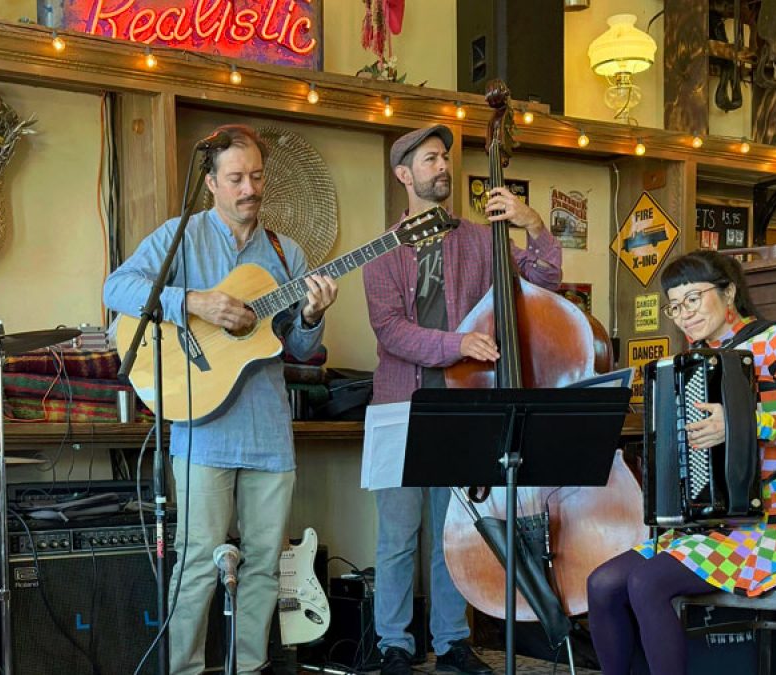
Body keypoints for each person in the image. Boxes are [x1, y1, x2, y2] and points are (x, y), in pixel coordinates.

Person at [103, 124, 338, 674]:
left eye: (256, 176)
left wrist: (312, 314)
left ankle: (249, 668)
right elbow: (118, 287)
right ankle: (182, 669)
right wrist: (195, 303)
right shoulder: (180, 236)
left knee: (262, 565)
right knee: (195, 565)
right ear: (210, 183)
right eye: (235, 178)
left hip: (268, 431)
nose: (248, 188)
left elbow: (303, 348)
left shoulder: (288, 251)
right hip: (202, 429)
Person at [362, 124, 563, 675]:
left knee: (452, 534)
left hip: (463, 408)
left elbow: (546, 280)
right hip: (400, 408)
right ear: (404, 174)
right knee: (398, 537)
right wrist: (457, 344)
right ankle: (394, 645)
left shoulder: (480, 237)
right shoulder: (381, 253)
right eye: (429, 160)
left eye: (444, 158)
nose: (442, 167)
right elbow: (389, 331)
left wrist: (533, 225)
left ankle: (452, 642)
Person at [586, 250, 776, 675]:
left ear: (729, 292)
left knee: (648, 583)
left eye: (694, 299)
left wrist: (743, 423)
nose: (684, 314)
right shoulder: (695, 357)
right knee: (603, 584)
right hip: (711, 526)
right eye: (675, 305)